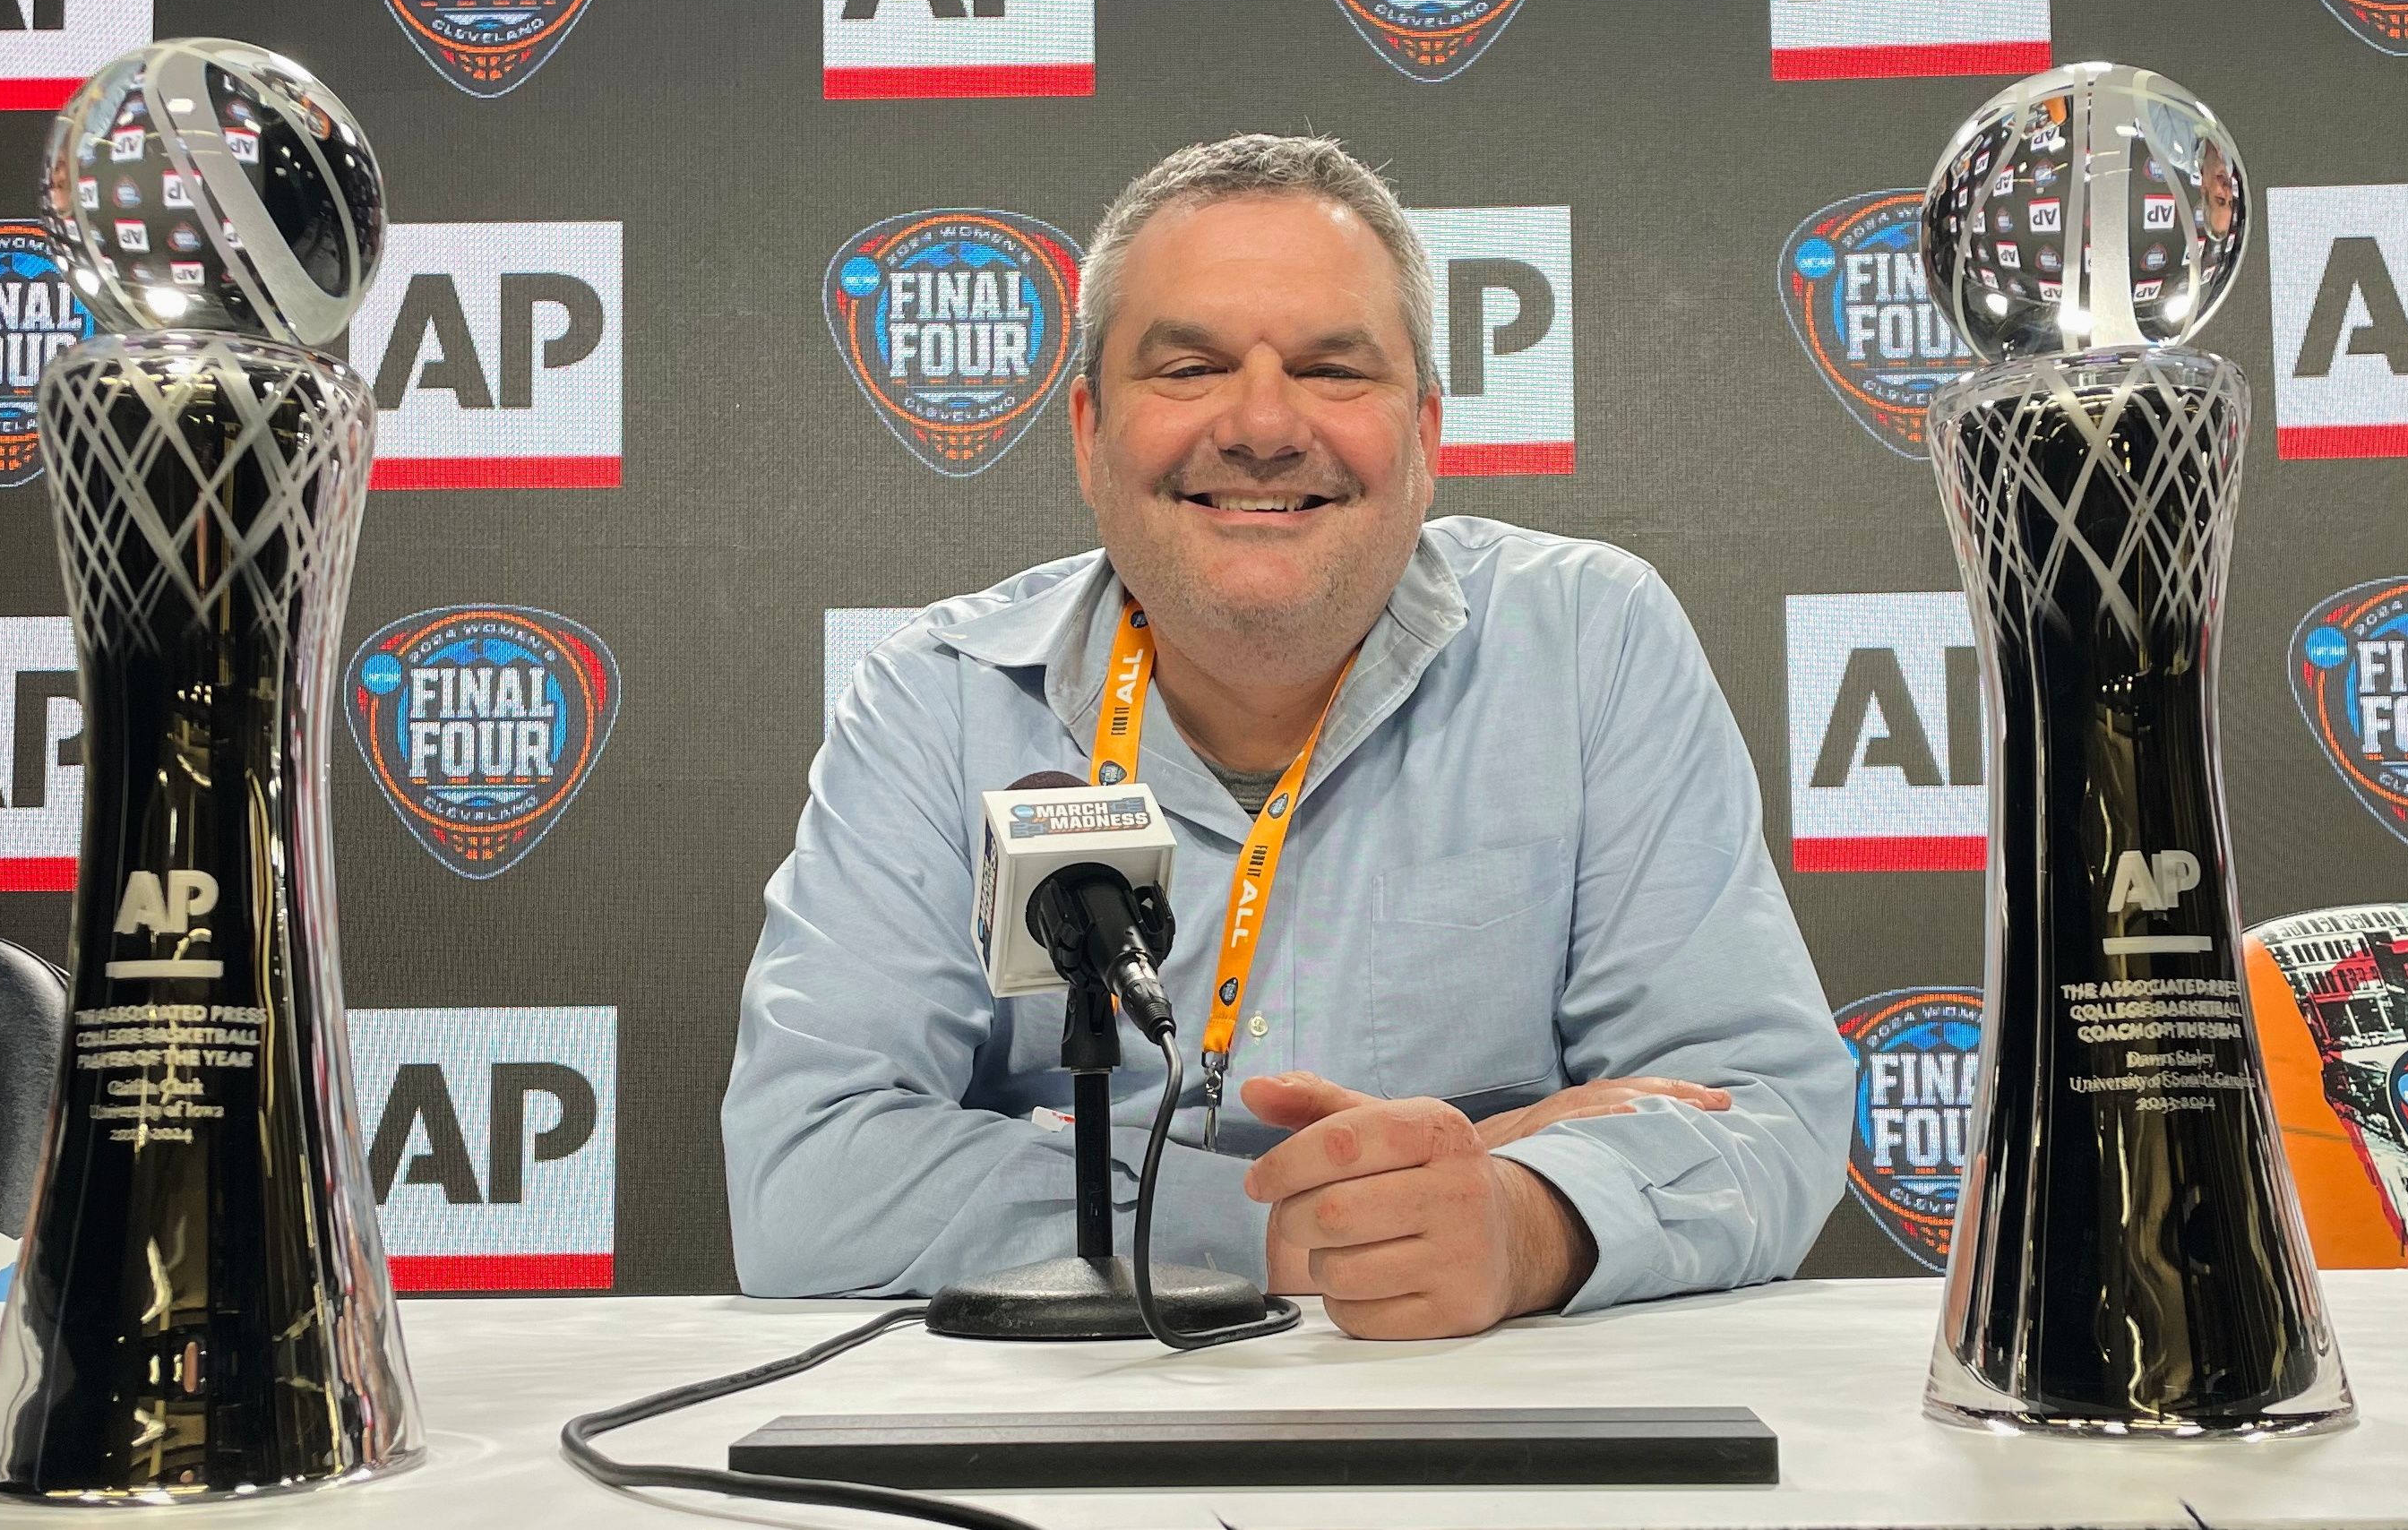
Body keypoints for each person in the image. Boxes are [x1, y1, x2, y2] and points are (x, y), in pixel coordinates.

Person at [724, 134, 1852, 1338]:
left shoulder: (1593, 642)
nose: (1262, 426)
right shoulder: (937, 699)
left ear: (1426, 437)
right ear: (1088, 434)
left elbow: (1760, 1116)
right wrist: (1287, 1223)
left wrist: (1522, 1226)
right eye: (1193, 366)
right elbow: (806, 1181)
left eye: (1330, 369)